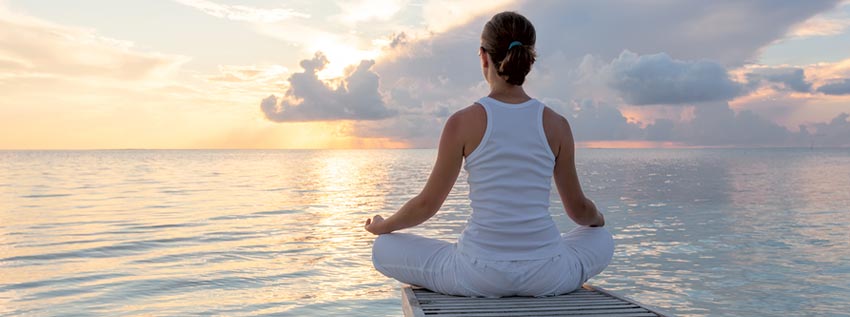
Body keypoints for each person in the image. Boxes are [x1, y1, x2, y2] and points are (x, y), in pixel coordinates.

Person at [364, 11, 614, 298]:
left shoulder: (462, 122)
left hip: (477, 273)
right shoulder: (557, 124)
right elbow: (579, 211)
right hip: (548, 274)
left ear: (483, 57)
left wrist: (384, 226)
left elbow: (426, 205)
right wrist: (599, 218)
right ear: (530, 59)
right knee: (601, 237)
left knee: (383, 248)